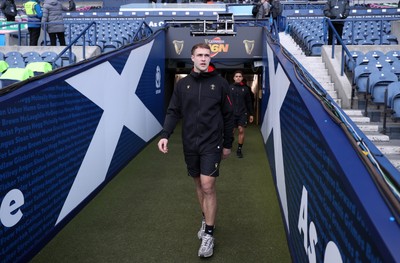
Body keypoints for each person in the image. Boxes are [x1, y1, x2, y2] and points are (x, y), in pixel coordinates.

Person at [157, 43, 234, 258]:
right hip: (190, 143)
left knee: (208, 185)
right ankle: (205, 218)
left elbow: (229, 116)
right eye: (199, 55)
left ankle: (209, 234)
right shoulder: (183, 85)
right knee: (199, 183)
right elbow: (173, 111)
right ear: (192, 58)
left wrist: (228, 144)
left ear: (210, 58)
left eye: (206, 55)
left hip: (212, 143)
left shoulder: (220, 84)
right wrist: (165, 135)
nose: (203, 59)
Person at [229, 70, 254, 158]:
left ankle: (239, 150)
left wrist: (251, 114)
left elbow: (249, 102)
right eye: (236, 76)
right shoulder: (229, 87)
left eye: (240, 76)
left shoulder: (246, 89)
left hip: (242, 113)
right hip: (231, 114)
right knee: (231, 132)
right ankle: (229, 142)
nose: (238, 78)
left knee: (241, 130)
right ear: (234, 78)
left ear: (242, 78)